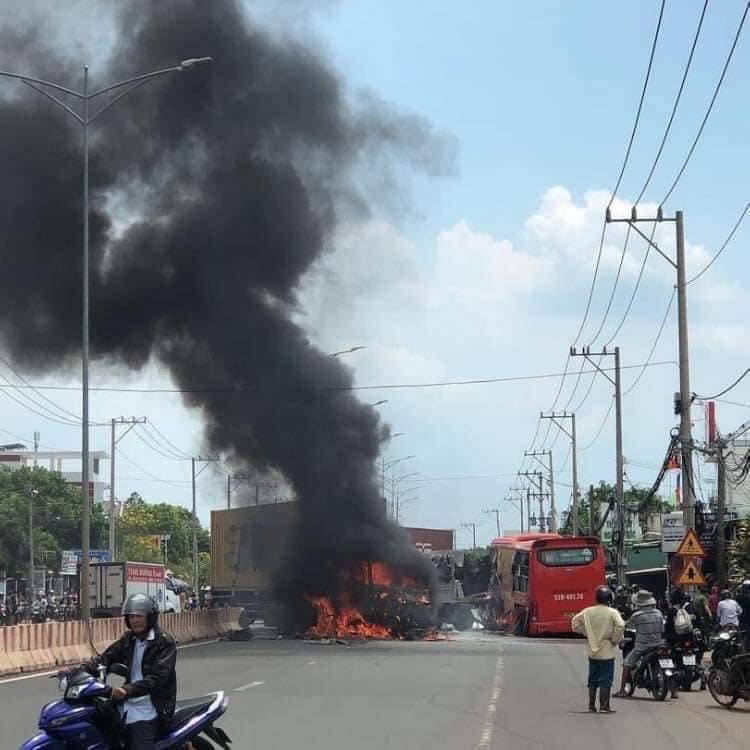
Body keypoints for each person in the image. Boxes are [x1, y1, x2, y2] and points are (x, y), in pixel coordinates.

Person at [81, 593, 177, 749]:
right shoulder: (129, 639)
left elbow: (158, 679)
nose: (135, 621)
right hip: (126, 700)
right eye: (131, 617)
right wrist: (76, 671)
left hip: (151, 705)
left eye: (139, 616)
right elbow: (105, 659)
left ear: (150, 617)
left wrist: (128, 689)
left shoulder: (164, 642)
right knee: (96, 724)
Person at [571, 585, 625, 713]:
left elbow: (574, 623)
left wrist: (587, 633)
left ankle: (591, 706)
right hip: (607, 651)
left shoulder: (588, 611)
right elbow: (621, 625)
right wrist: (615, 639)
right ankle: (604, 706)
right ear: (609, 599)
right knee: (606, 679)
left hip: (593, 651)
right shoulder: (612, 612)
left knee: (593, 679)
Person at [614, 589, 664, 698]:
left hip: (642, 646)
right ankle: (674, 691)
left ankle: (622, 690)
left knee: (626, 664)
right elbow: (662, 629)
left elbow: (626, 625)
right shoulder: (659, 613)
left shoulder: (637, 615)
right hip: (658, 644)